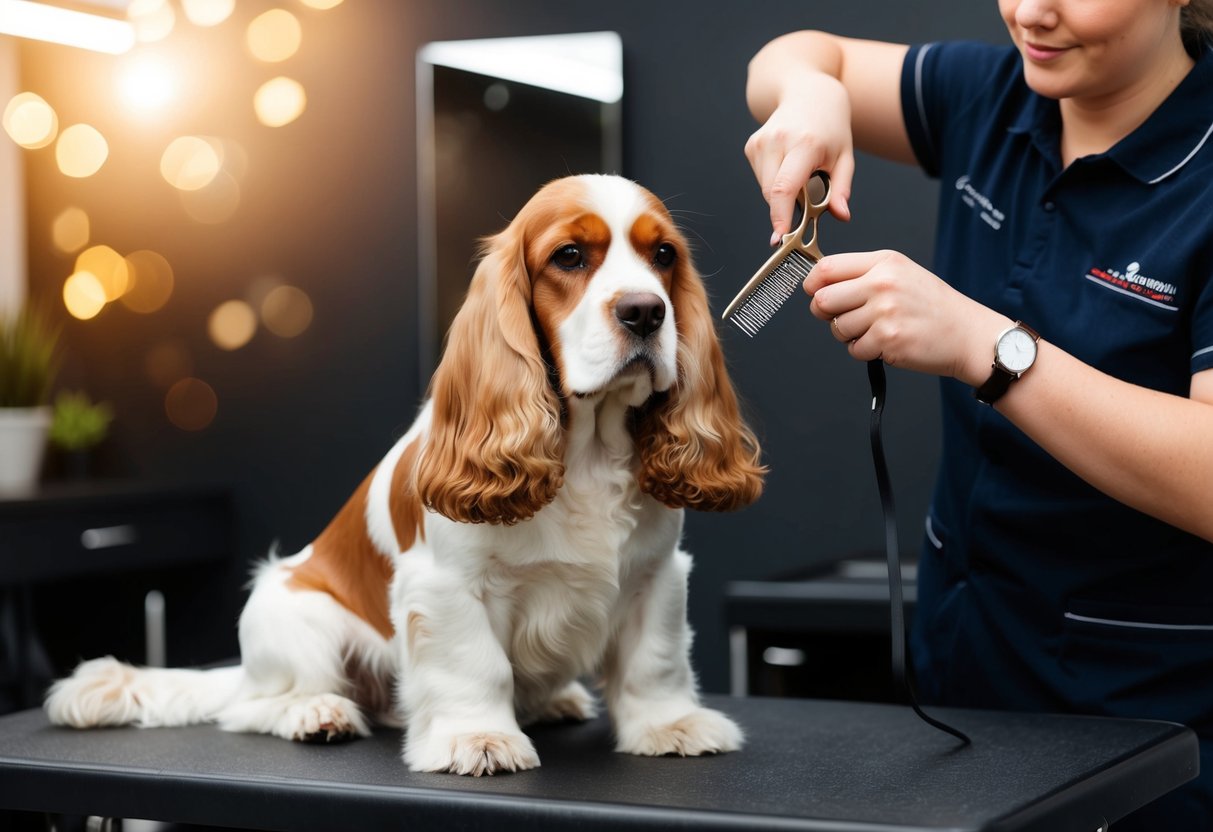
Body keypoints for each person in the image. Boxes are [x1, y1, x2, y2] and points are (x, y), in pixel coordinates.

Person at [744, 1, 1213, 828]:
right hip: (962, 694)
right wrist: (810, 88)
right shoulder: (991, 93)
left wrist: (984, 347)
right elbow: (788, 55)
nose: (1031, 11)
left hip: (1146, 734)